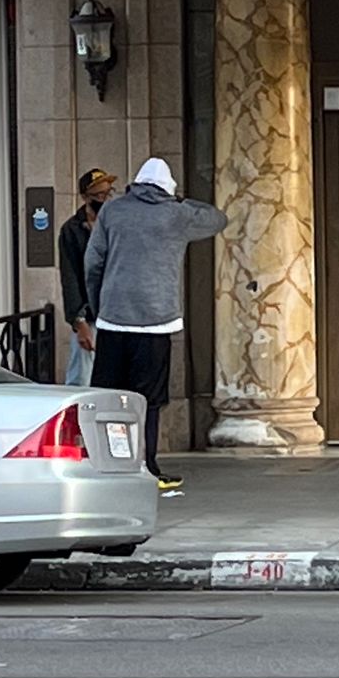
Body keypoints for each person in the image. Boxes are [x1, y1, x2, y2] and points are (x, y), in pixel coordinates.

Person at [85, 156, 226, 491]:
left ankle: (105, 464)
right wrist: (176, 200)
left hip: (114, 320)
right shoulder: (175, 214)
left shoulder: (113, 211)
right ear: (167, 186)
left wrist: (98, 305)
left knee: (109, 397)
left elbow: (93, 262)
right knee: (149, 401)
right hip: (156, 323)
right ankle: (147, 466)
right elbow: (217, 219)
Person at [57, 167, 115, 387]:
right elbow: (70, 276)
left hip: (115, 313)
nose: (105, 199)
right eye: (99, 195)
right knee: (81, 377)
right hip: (89, 314)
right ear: (85, 197)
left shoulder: (115, 225)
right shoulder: (72, 230)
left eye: (108, 193)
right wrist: (78, 321)